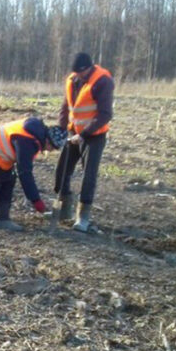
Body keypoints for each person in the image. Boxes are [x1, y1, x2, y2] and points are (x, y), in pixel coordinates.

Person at [0, 117, 67, 231]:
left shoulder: (35, 132)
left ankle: (3, 220)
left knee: (9, 181)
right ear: (48, 141)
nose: (50, 151)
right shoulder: (27, 141)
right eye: (53, 148)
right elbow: (25, 173)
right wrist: (36, 200)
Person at [54, 52, 115, 232]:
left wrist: (85, 134)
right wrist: (62, 129)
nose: (78, 76)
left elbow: (105, 114)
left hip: (94, 135)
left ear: (88, 68)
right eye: (76, 73)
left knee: (89, 175)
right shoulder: (72, 80)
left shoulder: (102, 81)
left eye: (81, 73)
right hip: (73, 131)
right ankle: (64, 210)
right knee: (62, 170)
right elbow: (66, 107)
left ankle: (83, 217)